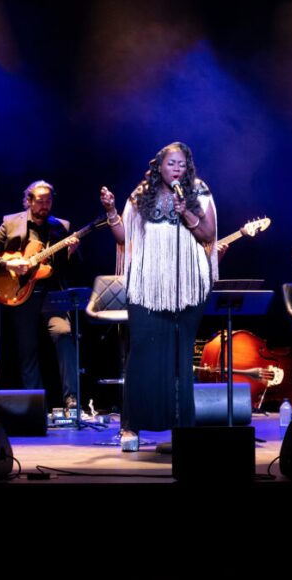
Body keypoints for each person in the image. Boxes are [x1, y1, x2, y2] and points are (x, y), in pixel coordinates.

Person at [100, 142, 217, 451]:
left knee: (181, 357)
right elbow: (124, 238)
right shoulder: (141, 194)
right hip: (149, 289)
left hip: (188, 287)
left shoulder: (198, 191)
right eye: (171, 164)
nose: (176, 169)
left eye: (181, 164)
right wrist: (111, 211)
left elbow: (208, 234)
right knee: (142, 355)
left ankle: (183, 427)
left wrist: (187, 213)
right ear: (159, 167)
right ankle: (132, 426)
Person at [0, 180, 80, 409]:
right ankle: (36, 405)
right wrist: (10, 265)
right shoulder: (11, 222)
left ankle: (71, 399)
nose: (45, 205)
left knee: (64, 334)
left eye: (48, 200)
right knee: (27, 350)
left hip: (52, 293)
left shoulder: (61, 227)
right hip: (20, 293)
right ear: (29, 200)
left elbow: (70, 268)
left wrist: (72, 253)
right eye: (40, 200)